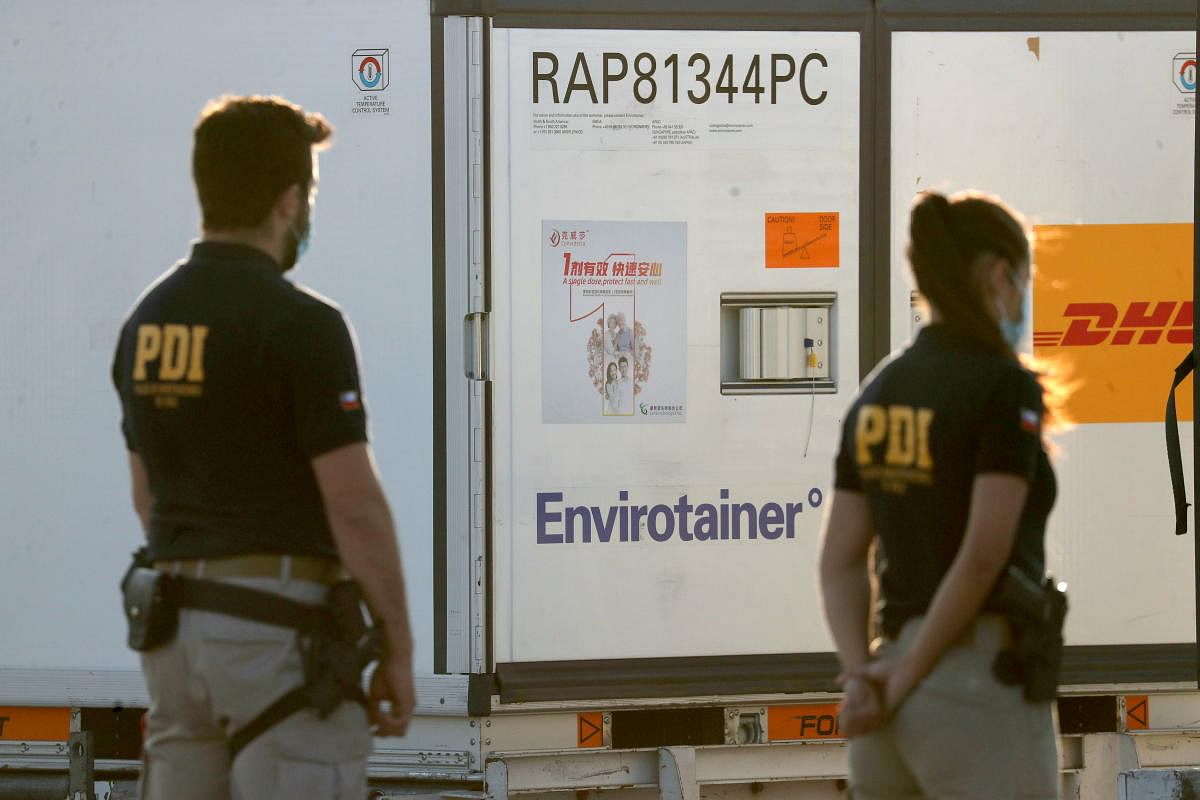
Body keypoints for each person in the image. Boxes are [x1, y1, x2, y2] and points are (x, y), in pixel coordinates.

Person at [111, 95, 415, 800]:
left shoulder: (144, 324)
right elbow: (354, 504)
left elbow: (145, 494)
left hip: (173, 637)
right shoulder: (303, 326)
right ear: (288, 201)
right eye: (307, 193)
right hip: (278, 644)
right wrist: (396, 648)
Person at [818, 190, 1061, 799]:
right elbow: (983, 554)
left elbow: (840, 561)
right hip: (971, 689)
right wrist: (909, 675)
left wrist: (862, 679)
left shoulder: (877, 394)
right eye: (1024, 276)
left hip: (882, 695)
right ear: (997, 273)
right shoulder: (1002, 389)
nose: (1024, 293)